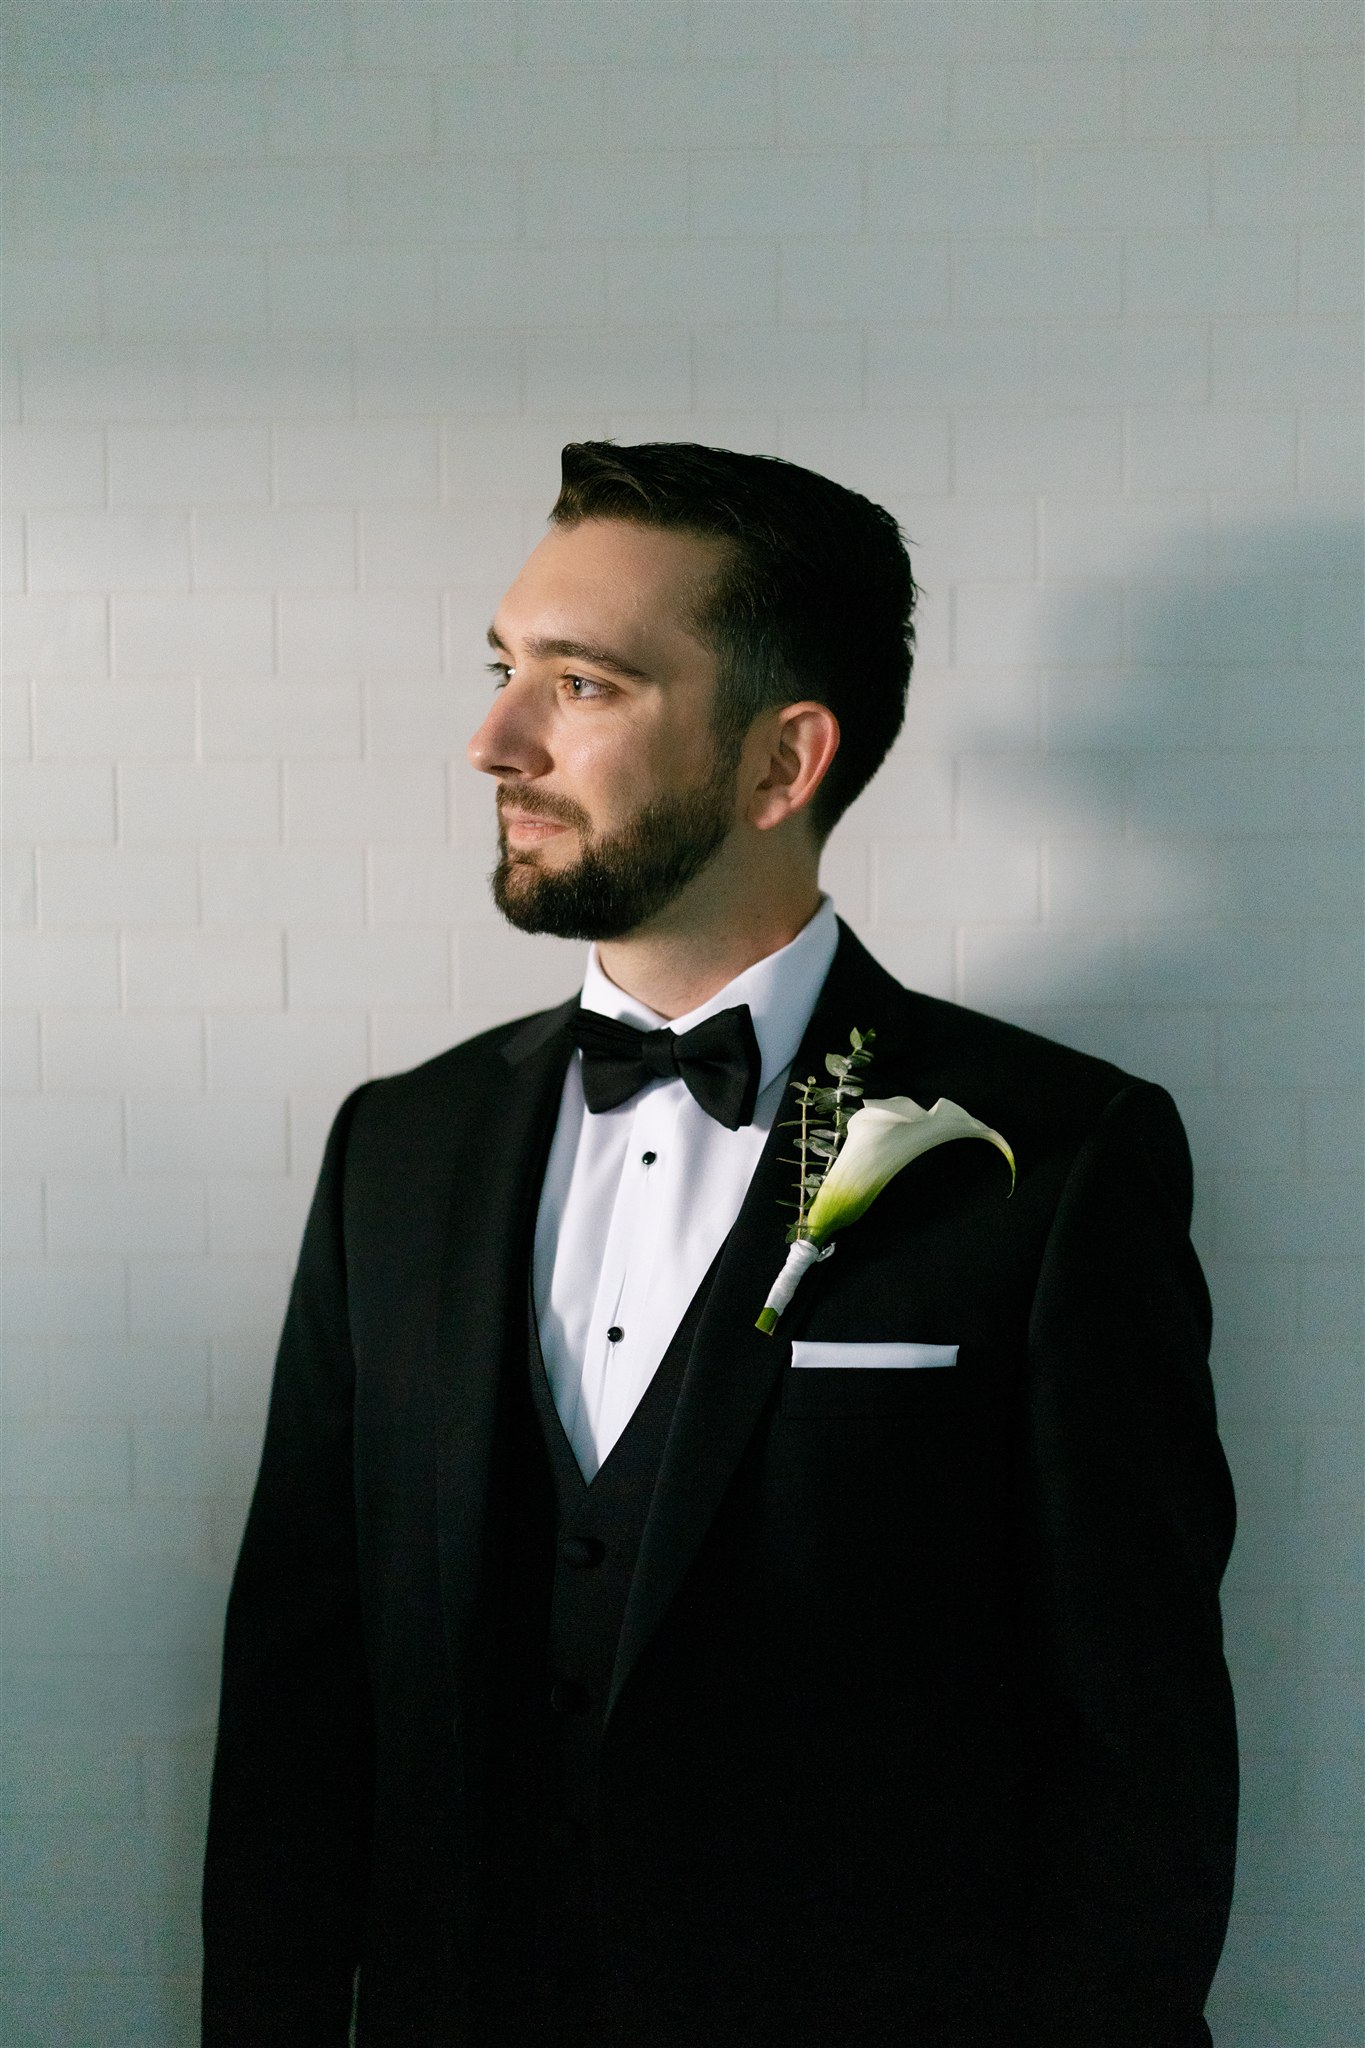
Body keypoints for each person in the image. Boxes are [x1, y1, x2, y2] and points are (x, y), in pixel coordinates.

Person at [201, 442, 1238, 2048]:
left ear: (781, 763)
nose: (493, 740)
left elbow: (1134, 1744)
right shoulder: (394, 1151)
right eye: (502, 669)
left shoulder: (1055, 1154)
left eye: (584, 684)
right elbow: (296, 1691)